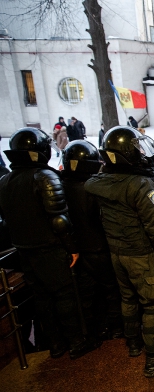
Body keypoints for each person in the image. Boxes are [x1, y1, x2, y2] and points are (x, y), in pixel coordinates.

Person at [85, 126, 154, 377]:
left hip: (118, 252)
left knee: (128, 300)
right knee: (153, 304)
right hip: (143, 254)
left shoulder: (97, 182)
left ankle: (133, 345)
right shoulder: (141, 184)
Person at [0, 128, 100, 360]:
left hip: (24, 249)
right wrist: (71, 247)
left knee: (42, 298)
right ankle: (76, 342)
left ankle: (55, 345)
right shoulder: (45, 177)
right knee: (64, 295)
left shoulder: (5, 180)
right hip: (50, 248)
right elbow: (59, 219)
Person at [61, 140, 123, 342]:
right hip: (100, 248)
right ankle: (115, 330)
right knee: (111, 292)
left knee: (86, 296)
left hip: (77, 250)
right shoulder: (94, 188)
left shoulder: (61, 186)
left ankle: (92, 333)